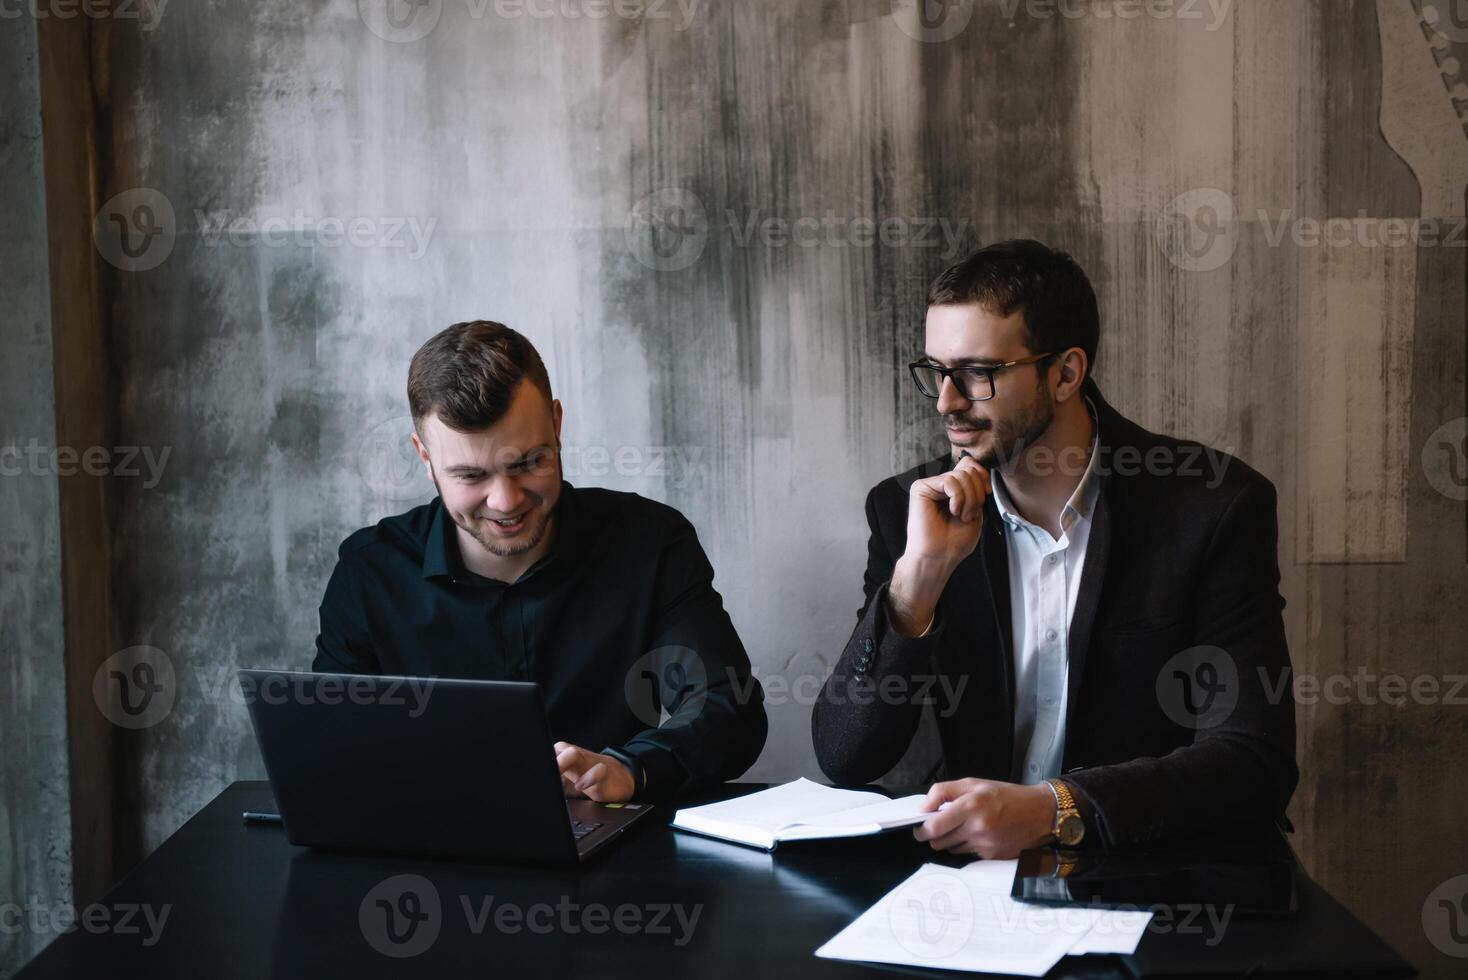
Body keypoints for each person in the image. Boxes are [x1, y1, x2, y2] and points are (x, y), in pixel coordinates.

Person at [812, 240, 1296, 856]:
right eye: (937, 371)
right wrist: (916, 586)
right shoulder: (905, 508)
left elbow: (1255, 759)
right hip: (965, 886)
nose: (946, 401)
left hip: (1151, 874)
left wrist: (1054, 809)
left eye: (977, 373)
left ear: (1065, 372)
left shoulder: (1212, 507)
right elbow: (847, 756)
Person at [314, 320, 766, 802]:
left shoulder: (650, 544)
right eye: (471, 475)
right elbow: (330, 746)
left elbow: (727, 708)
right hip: (428, 858)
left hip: (614, 855)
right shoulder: (369, 573)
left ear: (556, 423)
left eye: (528, 462)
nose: (506, 501)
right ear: (424, 457)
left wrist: (631, 768)